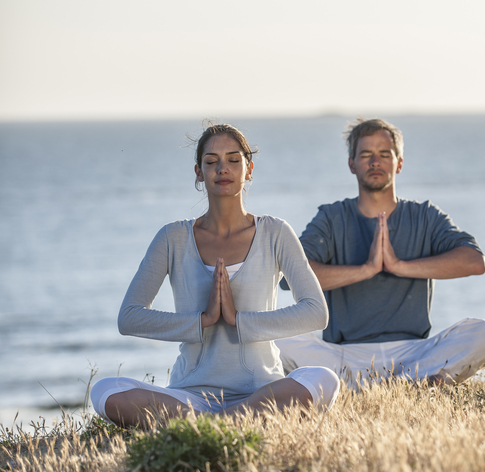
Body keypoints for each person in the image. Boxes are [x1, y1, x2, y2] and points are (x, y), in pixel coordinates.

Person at [90, 122, 339, 427]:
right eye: (212, 162)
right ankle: (232, 423)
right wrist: (202, 321)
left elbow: (316, 313)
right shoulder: (173, 237)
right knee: (105, 391)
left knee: (323, 379)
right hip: (189, 396)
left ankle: (208, 426)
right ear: (199, 172)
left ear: (248, 170)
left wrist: (239, 320)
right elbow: (129, 317)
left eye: (234, 160)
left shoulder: (275, 232)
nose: (223, 168)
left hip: (261, 390)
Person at [277, 117, 485, 387]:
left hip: (413, 353)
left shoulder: (424, 215)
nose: (375, 162)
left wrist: (397, 266)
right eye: (366, 155)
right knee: (274, 338)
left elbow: (475, 262)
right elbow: (288, 279)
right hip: (344, 356)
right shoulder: (332, 217)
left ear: (399, 163)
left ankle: (404, 383)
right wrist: (366, 269)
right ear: (352, 164)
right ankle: (406, 386)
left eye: (384, 154)